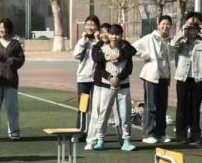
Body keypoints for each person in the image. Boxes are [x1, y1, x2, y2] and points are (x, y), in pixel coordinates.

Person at [89, 23, 137, 151]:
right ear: (108, 35)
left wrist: (119, 78)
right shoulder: (102, 49)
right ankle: (100, 139)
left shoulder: (126, 48)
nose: (114, 37)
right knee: (104, 113)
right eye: (112, 34)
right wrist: (110, 77)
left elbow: (129, 68)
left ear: (121, 35)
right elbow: (100, 68)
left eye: (117, 34)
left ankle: (126, 140)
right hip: (107, 85)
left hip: (123, 85)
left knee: (125, 113)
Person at [133, 15, 174, 145]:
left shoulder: (168, 40)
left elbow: (170, 57)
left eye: (168, 24)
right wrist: (147, 56)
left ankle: (160, 133)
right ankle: (148, 134)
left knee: (162, 106)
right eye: (163, 24)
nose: (165, 26)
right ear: (158, 25)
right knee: (151, 105)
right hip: (151, 76)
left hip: (164, 76)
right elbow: (134, 48)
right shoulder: (150, 38)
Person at [0, 18, 25, 141]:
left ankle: (14, 132)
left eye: (3, 27)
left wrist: (10, 60)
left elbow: (20, 61)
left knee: (12, 108)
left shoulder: (15, 44)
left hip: (10, 79)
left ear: (9, 28)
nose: (1, 30)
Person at [172, 16, 202, 145]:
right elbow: (172, 45)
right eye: (190, 28)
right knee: (182, 107)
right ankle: (181, 135)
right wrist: (183, 30)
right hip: (183, 78)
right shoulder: (182, 41)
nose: (192, 31)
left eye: (195, 29)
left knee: (195, 108)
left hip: (198, 79)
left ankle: (195, 134)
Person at [74, 16, 100, 130]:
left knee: (97, 106)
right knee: (83, 106)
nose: (90, 27)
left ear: (97, 27)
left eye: (93, 25)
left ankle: (95, 131)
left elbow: (102, 54)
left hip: (97, 79)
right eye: (88, 24)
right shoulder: (82, 41)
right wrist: (83, 41)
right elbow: (76, 55)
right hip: (84, 79)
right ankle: (81, 130)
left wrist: (98, 40)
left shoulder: (100, 41)